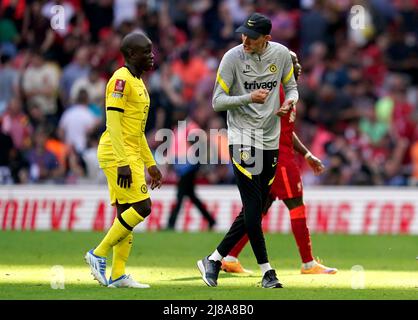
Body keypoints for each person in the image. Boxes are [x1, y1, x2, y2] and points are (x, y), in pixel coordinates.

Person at [197, 13, 298, 289]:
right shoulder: (232, 58)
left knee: (257, 207)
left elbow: (292, 87)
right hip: (242, 138)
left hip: (270, 140)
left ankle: (214, 259)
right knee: (254, 208)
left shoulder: (281, 56)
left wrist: (289, 102)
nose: (245, 40)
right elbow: (217, 101)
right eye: (243, 34)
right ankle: (268, 272)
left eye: (251, 37)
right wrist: (248, 97)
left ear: (267, 38)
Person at [221, 51, 337, 275]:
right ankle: (308, 263)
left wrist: (307, 154)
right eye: (293, 63)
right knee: (296, 204)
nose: (299, 66)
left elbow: (286, 131)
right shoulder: (278, 92)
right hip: (279, 159)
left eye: (297, 61)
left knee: (258, 209)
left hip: (275, 155)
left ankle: (230, 257)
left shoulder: (286, 92)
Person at [85, 32, 162, 289]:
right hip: (117, 153)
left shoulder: (138, 82)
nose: (151, 56)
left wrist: (150, 163)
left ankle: (118, 275)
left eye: (151, 50)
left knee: (124, 214)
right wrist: (122, 161)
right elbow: (114, 124)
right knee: (143, 207)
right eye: (145, 51)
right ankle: (98, 253)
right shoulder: (120, 80)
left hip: (129, 152)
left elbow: (136, 131)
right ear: (130, 55)